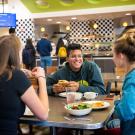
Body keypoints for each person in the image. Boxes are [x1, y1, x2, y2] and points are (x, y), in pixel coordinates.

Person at [0, 35, 49, 135]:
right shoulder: (15, 76)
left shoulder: (13, 75)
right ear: (15, 54)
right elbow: (43, 114)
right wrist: (42, 78)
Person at [107, 29, 135, 135]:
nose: (112, 58)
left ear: (121, 56)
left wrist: (116, 103)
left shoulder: (132, 78)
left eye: (113, 54)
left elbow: (125, 112)